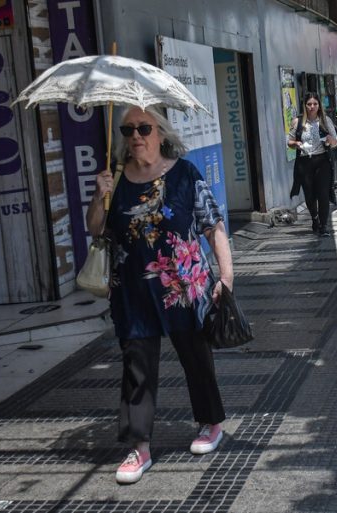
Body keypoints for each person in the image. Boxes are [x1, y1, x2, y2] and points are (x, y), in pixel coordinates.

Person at [86, 106, 233, 484]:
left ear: (160, 133)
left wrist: (226, 277)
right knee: (136, 369)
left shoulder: (184, 173)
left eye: (143, 128)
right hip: (132, 290)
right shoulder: (115, 178)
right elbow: (96, 230)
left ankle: (210, 422)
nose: (135, 136)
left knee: (196, 358)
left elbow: (212, 225)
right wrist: (97, 196)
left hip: (183, 286)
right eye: (128, 129)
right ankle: (139, 447)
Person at [288, 92, 337, 237]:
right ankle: (314, 218)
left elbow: (335, 142)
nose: (312, 107)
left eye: (315, 104)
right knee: (309, 196)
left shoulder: (325, 120)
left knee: (323, 194)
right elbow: (289, 142)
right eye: (309, 104)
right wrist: (296, 144)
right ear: (305, 106)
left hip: (322, 160)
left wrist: (330, 140)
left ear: (319, 105)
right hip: (305, 162)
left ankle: (323, 226)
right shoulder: (297, 122)